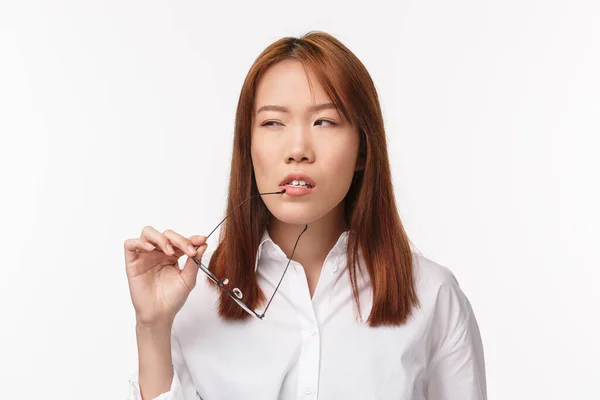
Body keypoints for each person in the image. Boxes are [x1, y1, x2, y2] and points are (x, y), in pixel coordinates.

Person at [124, 31, 487, 400]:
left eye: (324, 122)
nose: (297, 150)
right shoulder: (192, 300)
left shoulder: (433, 296)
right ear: (247, 147)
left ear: (363, 149)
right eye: (272, 123)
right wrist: (152, 326)